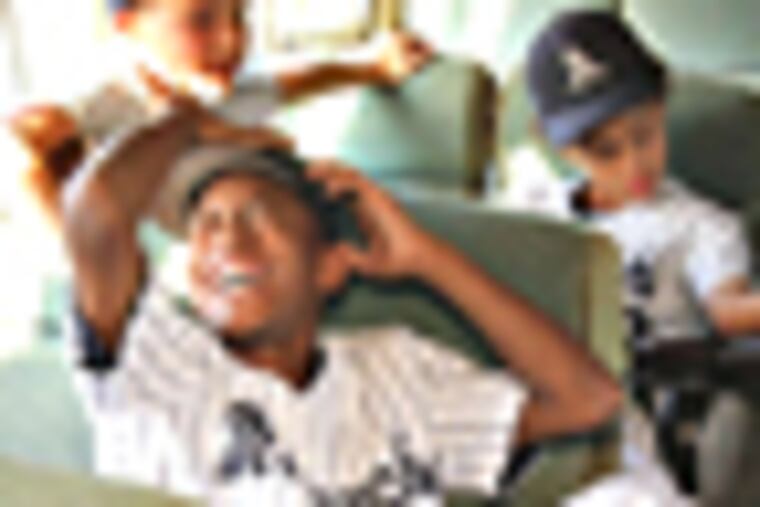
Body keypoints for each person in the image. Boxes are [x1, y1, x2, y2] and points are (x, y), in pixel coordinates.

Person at [61, 98, 621, 503]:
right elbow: (96, 211)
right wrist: (190, 123)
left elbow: (587, 398)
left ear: (328, 267)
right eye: (206, 225)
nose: (226, 241)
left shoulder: (395, 369)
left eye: (257, 216)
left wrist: (427, 258)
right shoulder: (163, 363)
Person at [525, 11, 760, 504]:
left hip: (620, 419)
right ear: (559, 149)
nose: (634, 164)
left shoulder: (698, 225)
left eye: (645, 135)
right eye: (606, 152)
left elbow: (729, 310)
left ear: (662, 104)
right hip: (518, 401)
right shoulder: (528, 212)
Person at [5, 0, 434, 230]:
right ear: (129, 26)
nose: (231, 40)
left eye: (241, 15)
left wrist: (375, 68)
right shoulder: (103, 102)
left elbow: (300, 80)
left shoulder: (220, 91)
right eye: (201, 19)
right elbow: (20, 146)